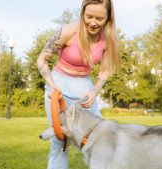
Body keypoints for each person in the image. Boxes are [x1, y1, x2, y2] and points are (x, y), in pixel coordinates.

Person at [37, 0, 119, 168]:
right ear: (82, 13)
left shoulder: (108, 39)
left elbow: (104, 70)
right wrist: (52, 85)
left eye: (99, 18)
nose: (93, 22)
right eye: (89, 16)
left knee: (101, 137)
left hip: (84, 88)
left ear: (108, 18)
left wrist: (94, 92)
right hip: (58, 85)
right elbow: (42, 59)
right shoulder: (69, 31)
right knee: (60, 140)